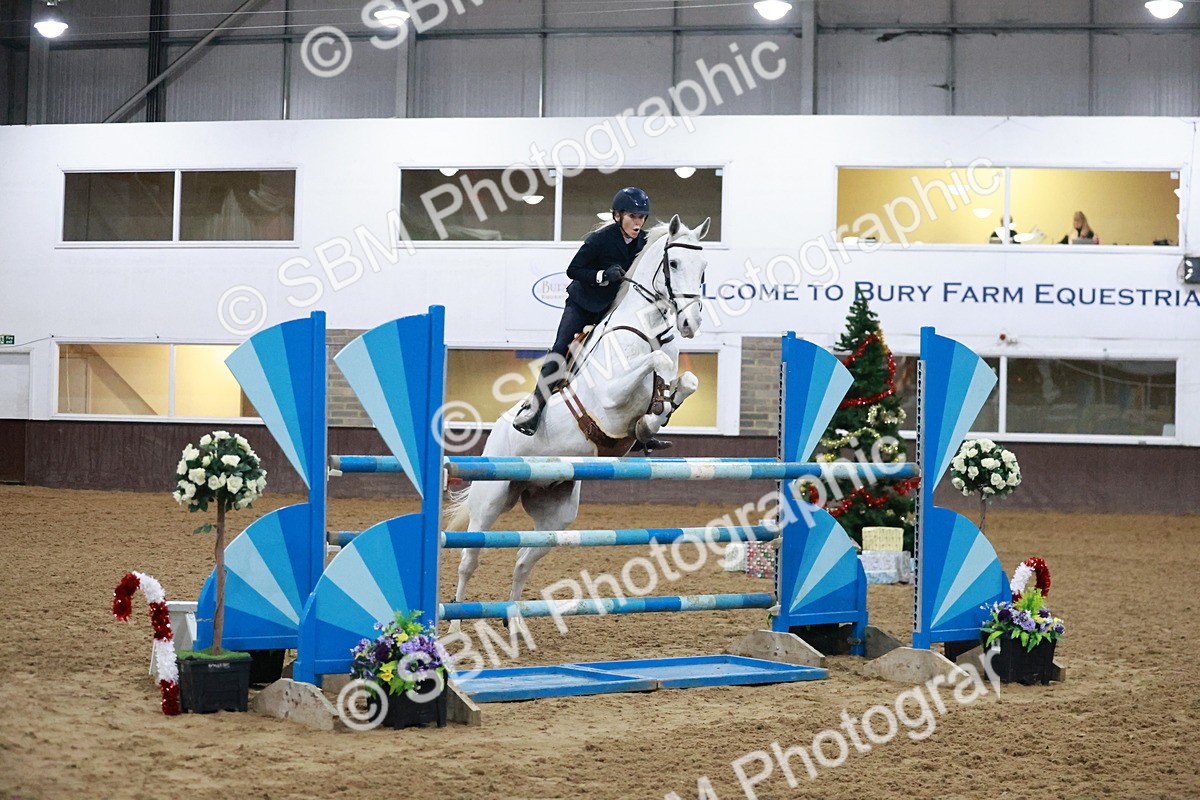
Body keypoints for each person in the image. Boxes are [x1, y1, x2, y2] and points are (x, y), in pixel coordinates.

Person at [512, 187, 671, 451]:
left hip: (612, 308)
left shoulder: (644, 242)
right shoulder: (600, 239)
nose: (638, 223)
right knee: (561, 346)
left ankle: (642, 426)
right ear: (618, 216)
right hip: (583, 304)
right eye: (632, 216)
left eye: (642, 217)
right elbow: (573, 270)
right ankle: (534, 407)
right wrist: (602, 275)